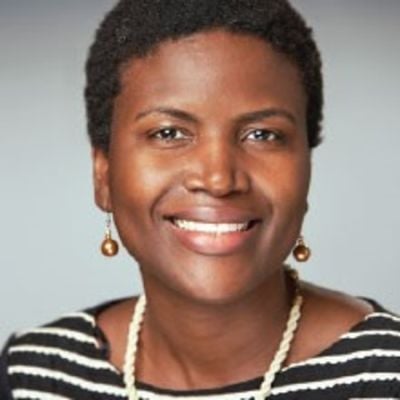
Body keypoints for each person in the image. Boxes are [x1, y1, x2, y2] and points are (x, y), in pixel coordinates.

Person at [1, 0, 400, 399]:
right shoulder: (35, 374)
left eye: (262, 134)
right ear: (103, 174)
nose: (218, 178)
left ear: (306, 168)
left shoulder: (386, 373)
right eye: (169, 133)